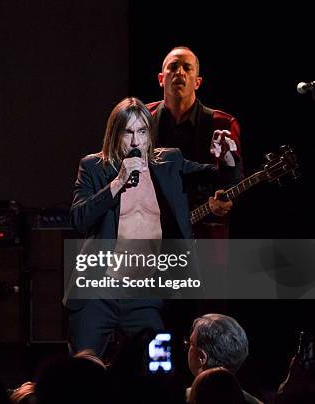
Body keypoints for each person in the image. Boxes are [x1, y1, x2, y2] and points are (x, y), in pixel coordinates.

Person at [67, 97, 226, 357]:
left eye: (141, 132)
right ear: (114, 134)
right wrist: (117, 183)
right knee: (83, 371)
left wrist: (228, 161)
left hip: (146, 294)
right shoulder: (93, 167)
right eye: (127, 133)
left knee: (159, 365)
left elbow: (216, 177)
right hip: (98, 291)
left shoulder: (169, 162)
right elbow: (78, 219)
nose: (135, 141)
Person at [148, 46, 242, 238]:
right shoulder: (141, 119)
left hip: (204, 236)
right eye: (173, 67)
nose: (179, 72)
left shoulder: (222, 123)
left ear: (198, 82)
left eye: (186, 67)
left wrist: (224, 201)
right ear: (160, 79)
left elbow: (234, 178)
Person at [185, 313, 262, 404]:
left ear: (201, 357)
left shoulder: (177, 398)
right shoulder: (256, 402)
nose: (187, 347)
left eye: (190, 343)